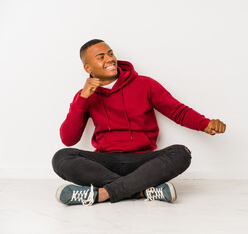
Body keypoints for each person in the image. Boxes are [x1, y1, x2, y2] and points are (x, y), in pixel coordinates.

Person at [52, 39, 226, 206]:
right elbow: (69, 139)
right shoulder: (84, 96)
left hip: (143, 162)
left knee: (181, 153)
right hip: (105, 162)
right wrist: (82, 99)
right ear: (88, 67)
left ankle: (102, 194)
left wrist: (205, 124)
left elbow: (177, 111)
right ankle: (142, 191)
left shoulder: (145, 84)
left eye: (110, 53)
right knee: (61, 157)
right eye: (101, 57)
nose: (110, 59)